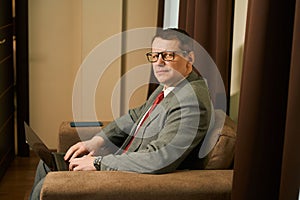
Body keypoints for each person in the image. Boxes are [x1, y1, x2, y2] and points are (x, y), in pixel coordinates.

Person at [29, 28, 213, 199]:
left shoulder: (191, 101)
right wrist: (97, 141)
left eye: (168, 56)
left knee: (46, 184)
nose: (159, 63)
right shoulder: (170, 85)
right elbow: (134, 116)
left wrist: (98, 163)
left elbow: (160, 158)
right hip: (121, 161)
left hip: (130, 179)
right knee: (47, 163)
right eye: (155, 55)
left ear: (190, 58)